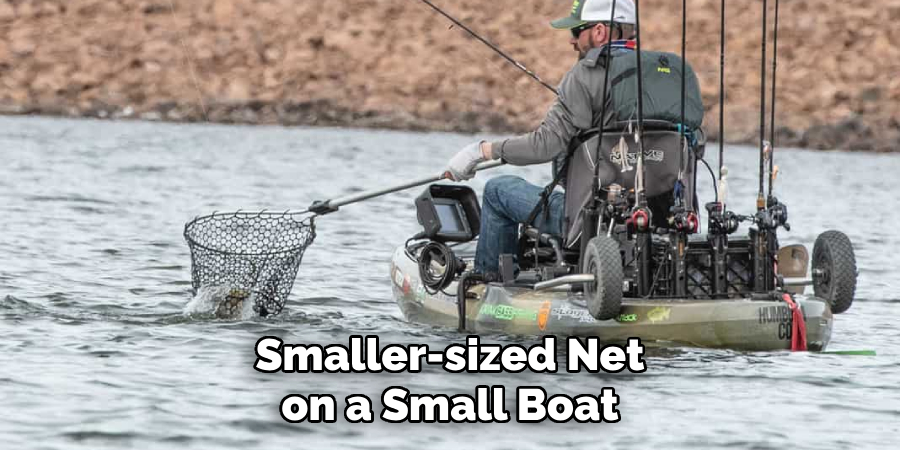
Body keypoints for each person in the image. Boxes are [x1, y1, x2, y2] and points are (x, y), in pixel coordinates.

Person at [443, 0, 643, 277]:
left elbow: (544, 145)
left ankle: (488, 284)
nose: (572, 41)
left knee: (497, 191)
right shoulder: (672, 76)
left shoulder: (583, 76)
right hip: (655, 220)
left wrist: (482, 151)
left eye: (576, 31)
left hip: (592, 219)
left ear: (598, 32)